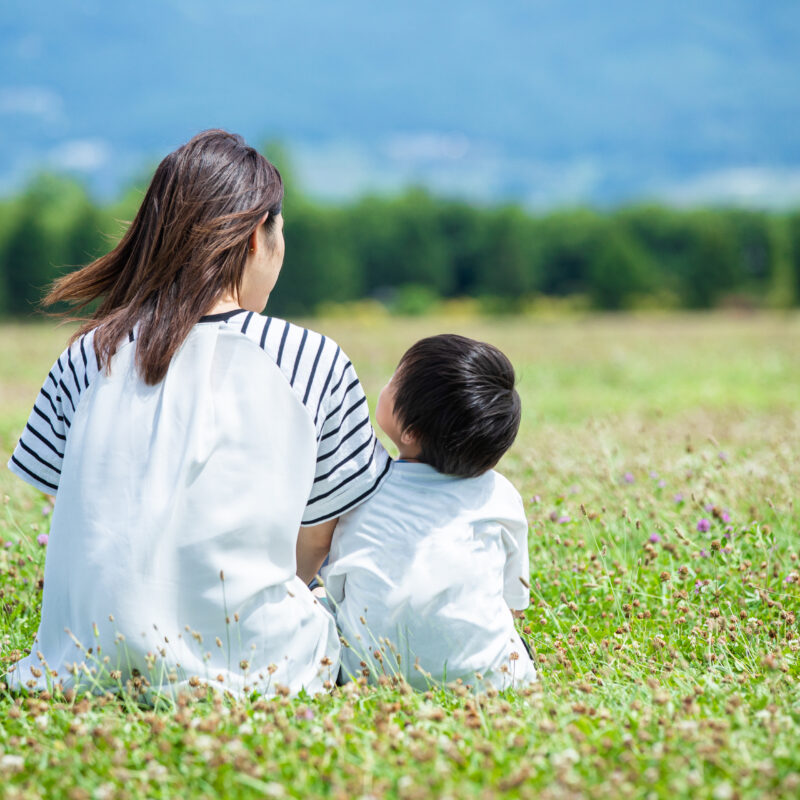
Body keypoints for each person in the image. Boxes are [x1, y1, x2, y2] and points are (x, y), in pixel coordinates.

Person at [5, 130, 391, 698]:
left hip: (83, 660)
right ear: (259, 237)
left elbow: (84, 513)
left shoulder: (86, 355)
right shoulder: (314, 360)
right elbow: (320, 538)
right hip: (256, 665)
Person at [320, 334, 537, 690]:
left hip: (366, 672)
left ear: (409, 431)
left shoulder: (362, 484)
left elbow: (339, 585)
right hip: (486, 678)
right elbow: (513, 603)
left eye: (394, 379)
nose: (385, 383)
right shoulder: (500, 495)